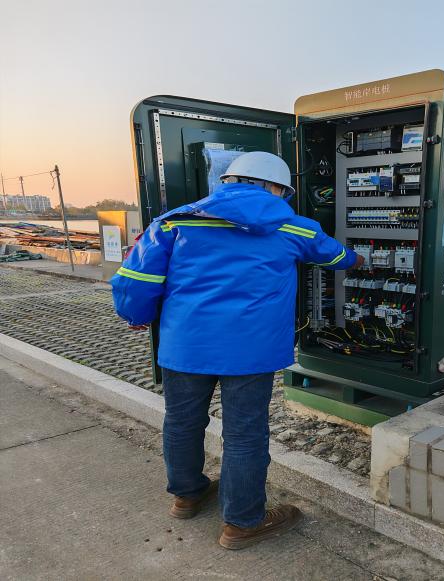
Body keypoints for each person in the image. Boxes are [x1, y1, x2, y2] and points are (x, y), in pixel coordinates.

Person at [111, 151, 363, 549]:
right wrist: (360, 257)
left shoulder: (175, 221)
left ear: (227, 181)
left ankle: (187, 495)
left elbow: (136, 279)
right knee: (245, 434)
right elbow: (338, 257)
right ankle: (242, 522)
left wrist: (135, 314)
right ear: (276, 187)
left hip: (186, 345)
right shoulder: (293, 227)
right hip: (251, 350)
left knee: (182, 422)